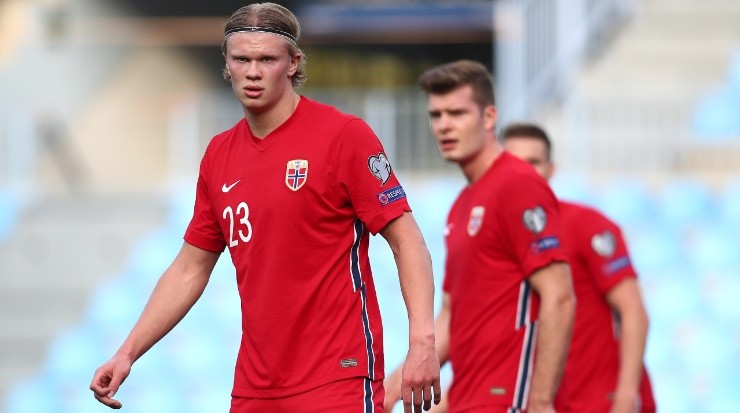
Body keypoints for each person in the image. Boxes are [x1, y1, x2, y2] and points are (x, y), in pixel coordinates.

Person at [89, 3, 441, 412]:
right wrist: (127, 352)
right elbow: (190, 267)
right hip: (256, 388)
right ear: (227, 63)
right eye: (241, 59)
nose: (252, 71)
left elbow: (407, 240)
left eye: (266, 59)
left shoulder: (344, 136)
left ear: (292, 63)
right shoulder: (219, 154)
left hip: (337, 376)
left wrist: (422, 342)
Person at [385, 60, 575, 413]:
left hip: (511, 398)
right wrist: (387, 394)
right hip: (470, 398)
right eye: (436, 114)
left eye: (457, 113)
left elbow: (559, 296)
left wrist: (541, 400)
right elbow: (451, 319)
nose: (444, 126)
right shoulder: (462, 205)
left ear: (489, 118)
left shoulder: (517, 184)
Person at [501, 123, 656, 413]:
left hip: (601, 403)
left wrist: (624, 399)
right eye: (513, 163)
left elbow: (634, 313)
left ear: (551, 169)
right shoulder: (495, 240)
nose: (524, 172)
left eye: (534, 162)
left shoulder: (587, 225)